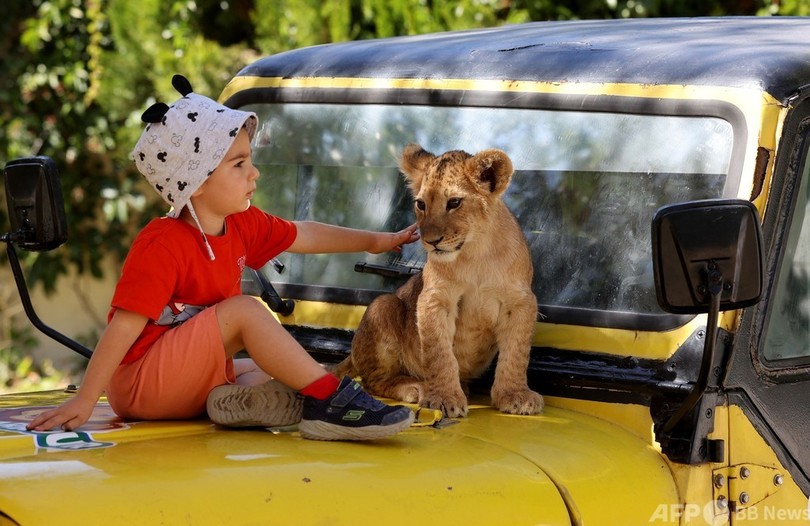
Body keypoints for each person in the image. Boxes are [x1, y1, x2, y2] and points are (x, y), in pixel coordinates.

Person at [27, 74, 419, 441]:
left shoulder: (242, 223)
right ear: (195, 183)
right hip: (140, 383)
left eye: (250, 160)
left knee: (283, 365)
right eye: (239, 165)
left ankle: (250, 402)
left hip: (182, 379)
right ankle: (330, 404)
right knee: (246, 310)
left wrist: (377, 239)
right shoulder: (161, 243)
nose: (255, 174)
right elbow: (122, 329)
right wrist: (85, 399)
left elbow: (304, 233)